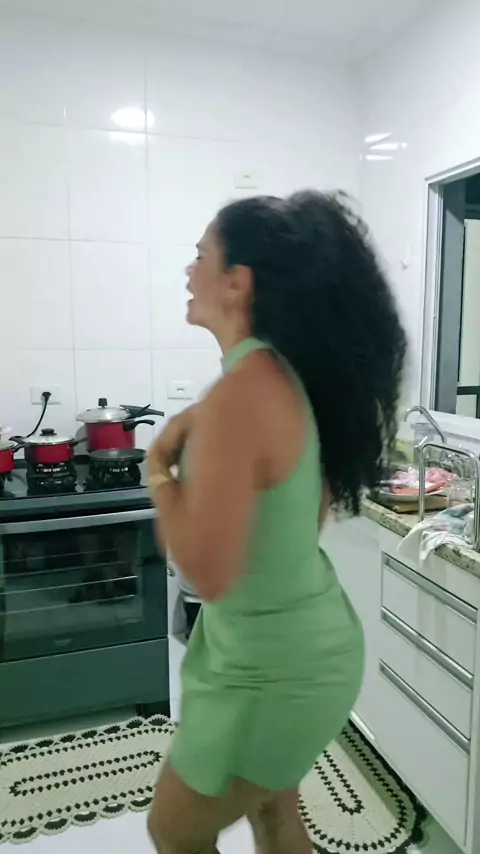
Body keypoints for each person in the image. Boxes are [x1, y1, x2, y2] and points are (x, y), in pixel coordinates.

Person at [146, 191, 407, 854]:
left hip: (273, 672)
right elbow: (296, 524)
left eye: (200, 255)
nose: (189, 270)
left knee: (172, 831)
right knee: (273, 816)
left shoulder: (242, 395)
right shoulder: (282, 378)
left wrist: (158, 473)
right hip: (292, 652)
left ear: (238, 282)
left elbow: (205, 573)